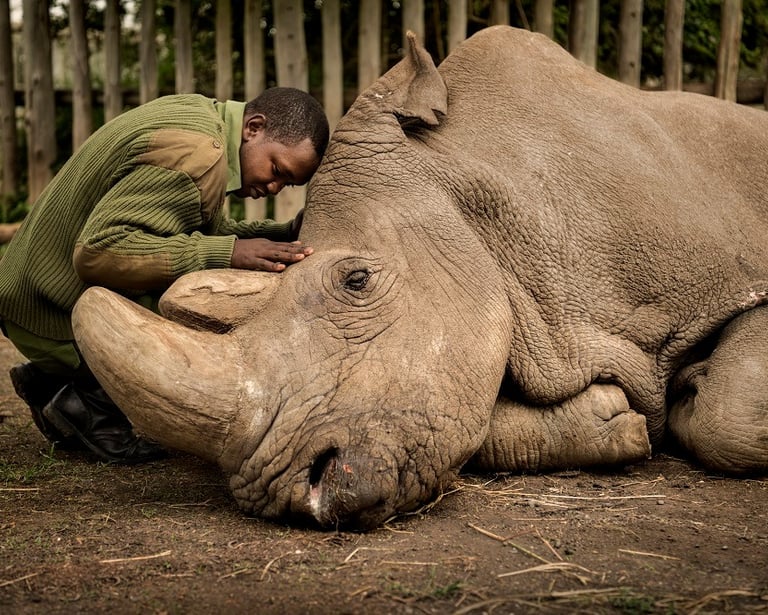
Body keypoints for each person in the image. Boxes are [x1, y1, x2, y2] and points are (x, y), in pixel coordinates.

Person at [0, 87, 330, 464]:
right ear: (254, 128)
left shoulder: (204, 120)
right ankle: (84, 398)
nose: (273, 187)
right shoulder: (196, 155)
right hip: (46, 311)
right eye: (276, 170)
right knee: (200, 303)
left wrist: (281, 234)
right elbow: (99, 253)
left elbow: (195, 230)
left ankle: (52, 380)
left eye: (287, 185)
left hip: (28, 290)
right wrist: (229, 253)